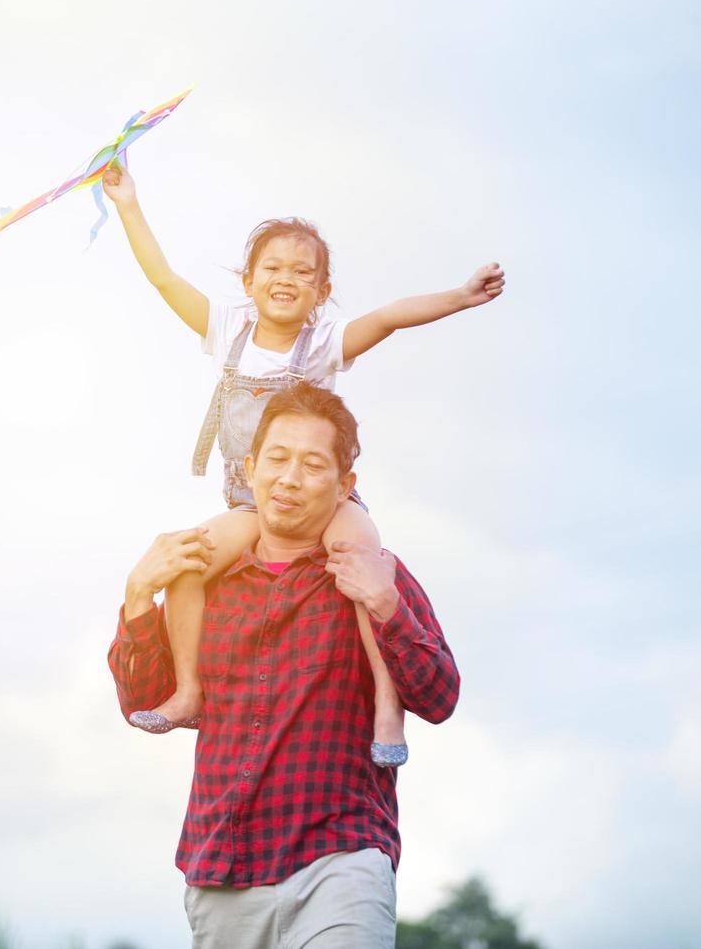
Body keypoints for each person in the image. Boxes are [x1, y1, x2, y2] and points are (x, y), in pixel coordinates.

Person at [101, 161, 499, 767]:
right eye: (273, 268)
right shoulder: (226, 328)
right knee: (188, 561)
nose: (286, 279)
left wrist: (460, 298)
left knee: (364, 563)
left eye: (303, 273)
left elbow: (390, 316)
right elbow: (160, 276)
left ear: (320, 290)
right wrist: (128, 203)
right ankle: (188, 690)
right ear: (250, 279)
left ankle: (387, 708)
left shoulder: (326, 341)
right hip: (249, 501)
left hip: (326, 503)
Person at [108, 383, 459, 947]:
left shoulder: (372, 572)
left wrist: (387, 605)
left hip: (340, 860)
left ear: (345, 486)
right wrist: (136, 595)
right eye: (277, 458)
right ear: (249, 468)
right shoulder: (203, 587)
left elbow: (440, 697)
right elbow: (142, 701)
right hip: (223, 870)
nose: (290, 478)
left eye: (312, 464)